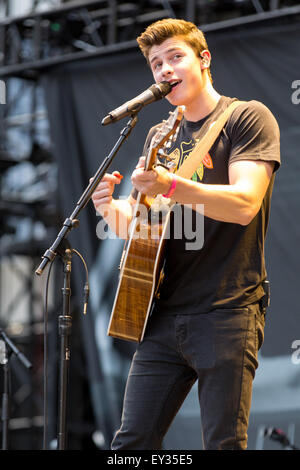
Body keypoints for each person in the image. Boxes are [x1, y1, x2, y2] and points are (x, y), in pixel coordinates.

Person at [91, 18, 280, 450]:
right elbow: (145, 226)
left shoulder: (246, 117)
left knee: (222, 443)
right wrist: (110, 208)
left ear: (204, 59)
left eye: (175, 57)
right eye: (156, 64)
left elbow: (245, 203)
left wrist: (170, 185)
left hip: (227, 310)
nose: (164, 70)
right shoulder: (160, 135)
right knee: (130, 444)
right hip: (162, 316)